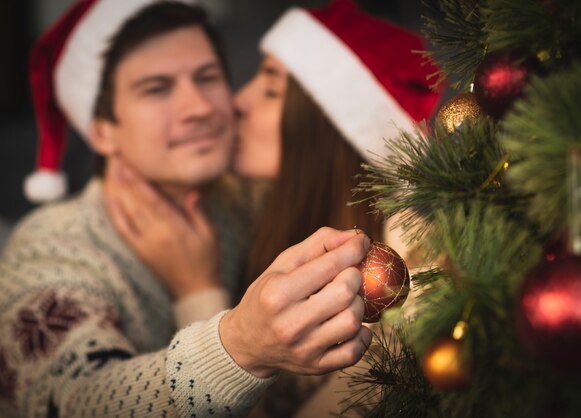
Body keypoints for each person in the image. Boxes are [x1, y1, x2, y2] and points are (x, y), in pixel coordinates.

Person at [0, 2, 372, 417]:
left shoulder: (246, 202)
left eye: (208, 77)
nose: (200, 108)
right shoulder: (52, 246)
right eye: (157, 88)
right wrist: (238, 344)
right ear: (102, 131)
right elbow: (73, 400)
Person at [104, 1, 442, 416]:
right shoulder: (258, 211)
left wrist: (198, 292)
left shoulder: (399, 321)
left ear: (330, 132)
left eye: (269, 90)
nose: (234, 102)